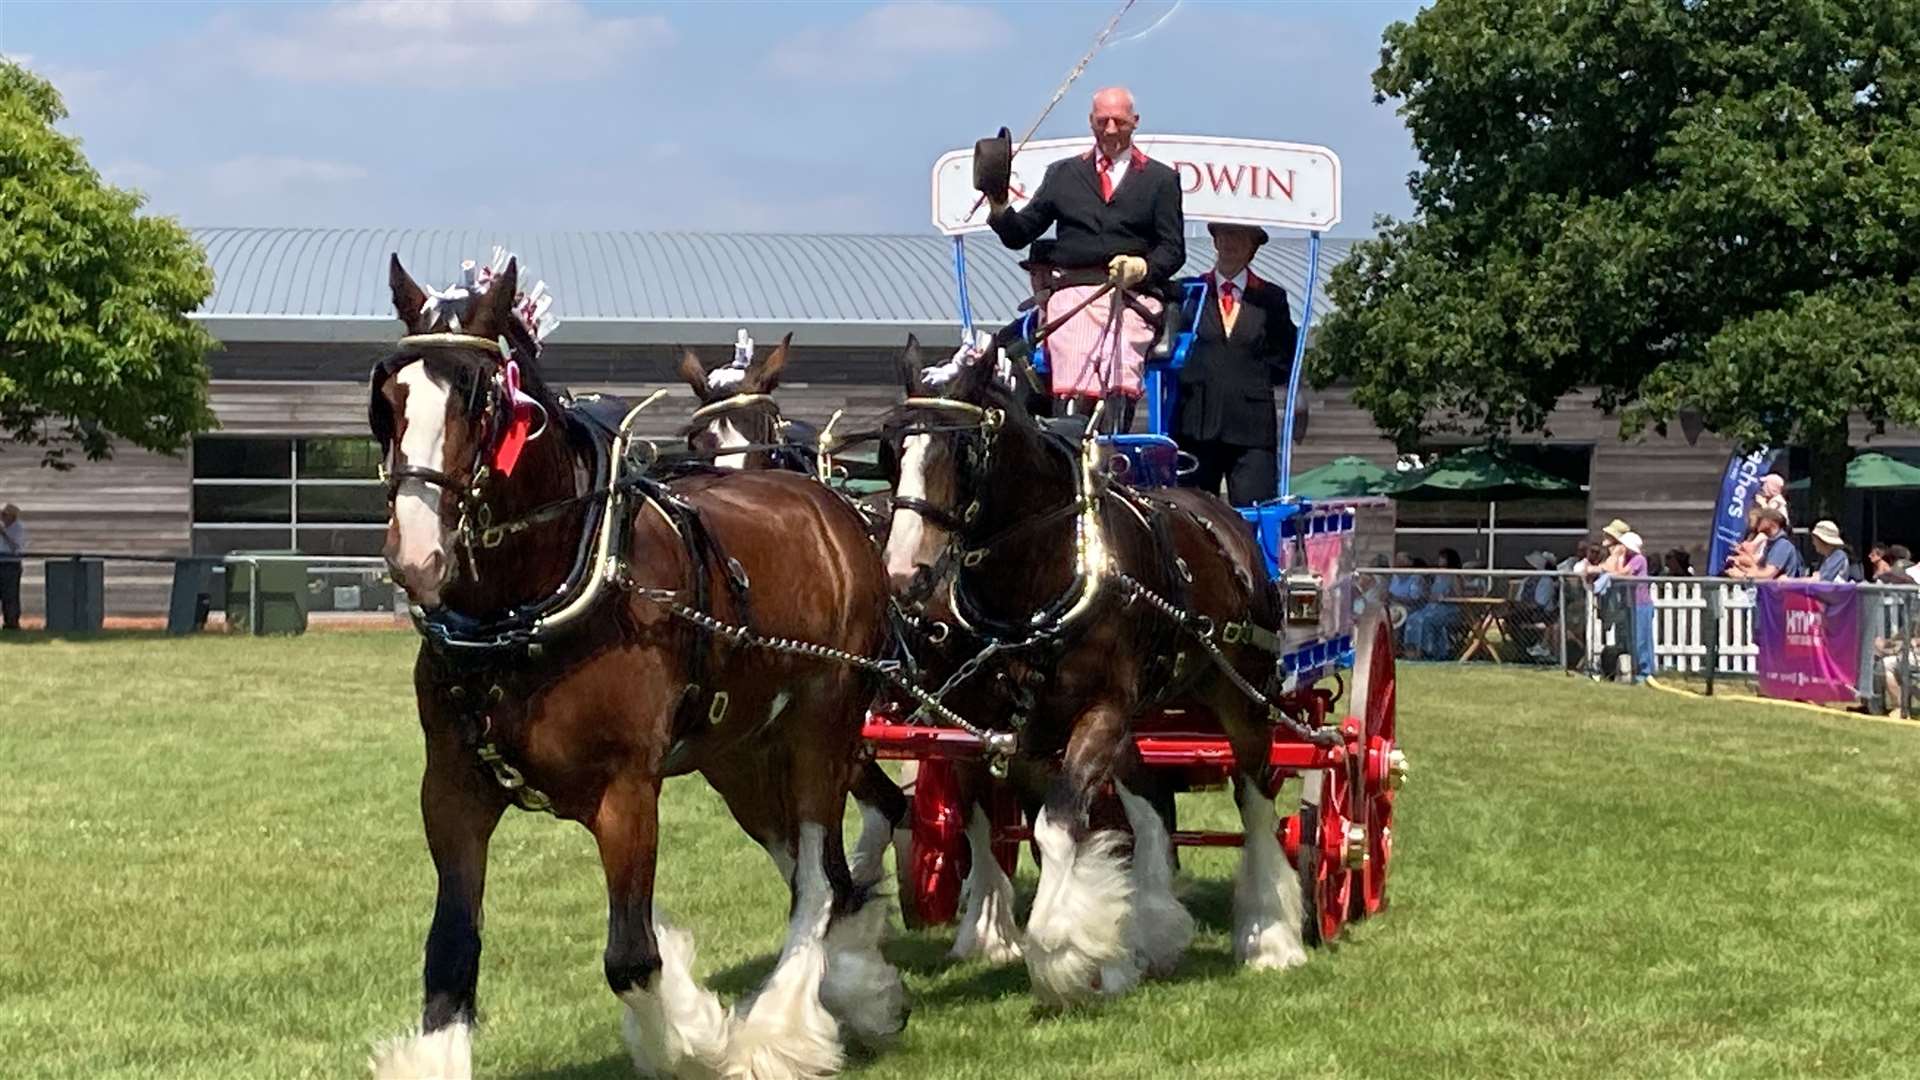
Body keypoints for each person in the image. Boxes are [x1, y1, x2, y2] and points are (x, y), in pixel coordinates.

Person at [978, 87, 1185, 430]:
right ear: (1090, 122)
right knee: (1074, 348)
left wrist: (1142, 268)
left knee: (1119, 353)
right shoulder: (1063, 174)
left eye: (1119, 121)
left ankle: (1112, 437)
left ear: (1135, 122)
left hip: (1131, 294)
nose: (1110, 130)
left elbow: (1173, 249)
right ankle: (1069, 435)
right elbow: (1019, 233)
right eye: (1102, 121)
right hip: (1073, 292)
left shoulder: (1160, 179)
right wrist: (998, 206)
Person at [1171, 222, 1297, 504]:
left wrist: (1250, 376)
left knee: (1256, 517)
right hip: (1196, 424)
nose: (1230, 242)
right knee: (1193, 516)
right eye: (1224, 234)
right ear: (1215, 241)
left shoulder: (1271, 298)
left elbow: (1284, 359)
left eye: (1240, 236)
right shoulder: (1188, 293)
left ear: (1252, 246)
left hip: (1251, 428)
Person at [1729, 507, 1803, 580]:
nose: (1755, 523)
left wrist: (1743, 575)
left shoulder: (1783, 544)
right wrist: (1741, 561)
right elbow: (1759, 567)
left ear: (1772, 523)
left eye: (1759, 520)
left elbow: (1767, 574)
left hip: (1781, 591)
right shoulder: (1772, 543)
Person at [0, 503, 25, 631]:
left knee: (10, 595)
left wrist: (4, 534)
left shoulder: (18, 528)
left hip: (11, 563)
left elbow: (16, 548)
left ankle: (12, 622)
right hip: (1, 561)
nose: (2, 517)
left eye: (4, 515)